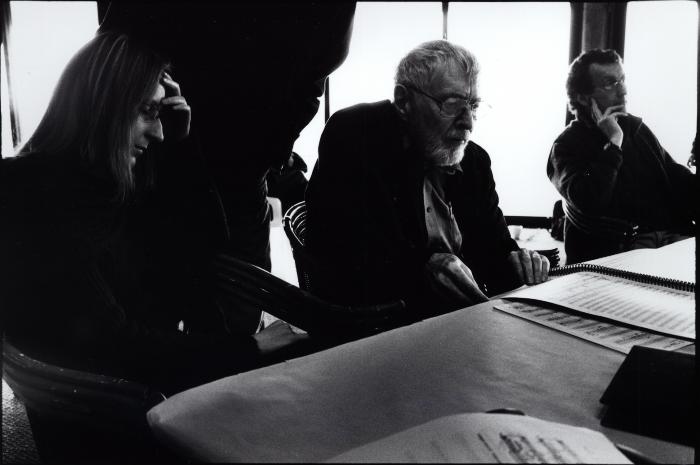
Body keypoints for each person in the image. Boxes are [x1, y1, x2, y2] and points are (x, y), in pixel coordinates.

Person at [0, 32, 305, 397]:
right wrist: (252, 347)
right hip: (117, 410)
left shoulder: (97, 183)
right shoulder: (39, 192)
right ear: (103, 106)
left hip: (116, 391)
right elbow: (120, 343)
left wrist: (183, 144)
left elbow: (208, 243)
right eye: (148, 112)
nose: (159, 133)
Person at [98, 2, 356, 333]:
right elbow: (114, 45)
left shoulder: (325, 18)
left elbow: (314, 79)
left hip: (241, 173)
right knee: (145, 315)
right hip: (154, 165)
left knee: (237, 326)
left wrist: (270, 151)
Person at [305, 40, 549, 320]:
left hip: (455, 325)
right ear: (403, 101)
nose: (468, 122)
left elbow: (494, 245)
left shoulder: (475, 162)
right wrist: (423, 267)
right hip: (371, 329)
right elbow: (345, 256)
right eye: (452, 103)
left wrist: (516, 259)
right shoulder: (356, 135)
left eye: (473, 105)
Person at [547, 49, 695, 264]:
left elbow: (679, 181)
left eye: (622, 80)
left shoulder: (637, 130)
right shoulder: (567, 145)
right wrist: (614, 142)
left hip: (671, 240)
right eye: (610, 83)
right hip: (620, 252)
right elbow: (590, 200)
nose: (623, 91)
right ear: (582, 97)